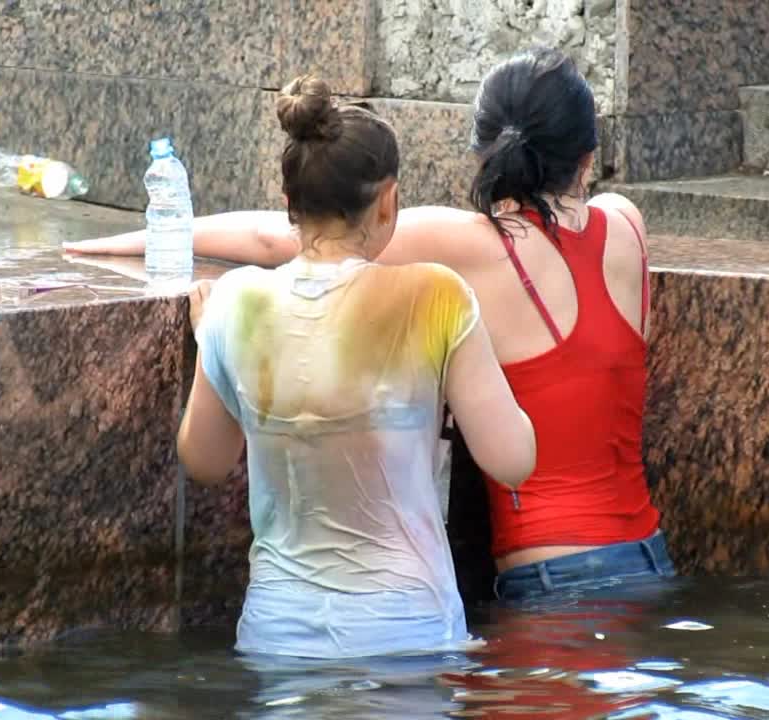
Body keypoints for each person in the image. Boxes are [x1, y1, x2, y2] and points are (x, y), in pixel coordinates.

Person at [72, 46, 674, 602]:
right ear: (587, 159)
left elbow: (282, 239)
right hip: (648, 559)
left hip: (549, 577)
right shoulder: (626, 225)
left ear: (484, 154)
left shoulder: (472, 245)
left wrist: (133, 238)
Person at [176, 76, 536, 659]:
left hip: (279, 633)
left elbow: (205, 461)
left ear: (289, 205)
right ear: (388, 200)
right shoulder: (436, 297)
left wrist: (208, 338)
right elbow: (512, 460)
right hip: (406, 627)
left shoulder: (234, 303)